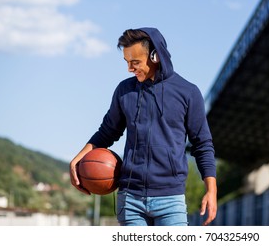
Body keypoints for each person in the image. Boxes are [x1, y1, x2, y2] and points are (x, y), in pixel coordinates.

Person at [69, 27, 217, 226]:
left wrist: (211, 189)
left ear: (155, 56)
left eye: (135, 62)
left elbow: (202, 144)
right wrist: (78, 158)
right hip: (130, 200)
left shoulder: (188, 93)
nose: (130, 68)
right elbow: (107, 132)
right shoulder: (124, 91)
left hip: (170, 200)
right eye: (127, 62)